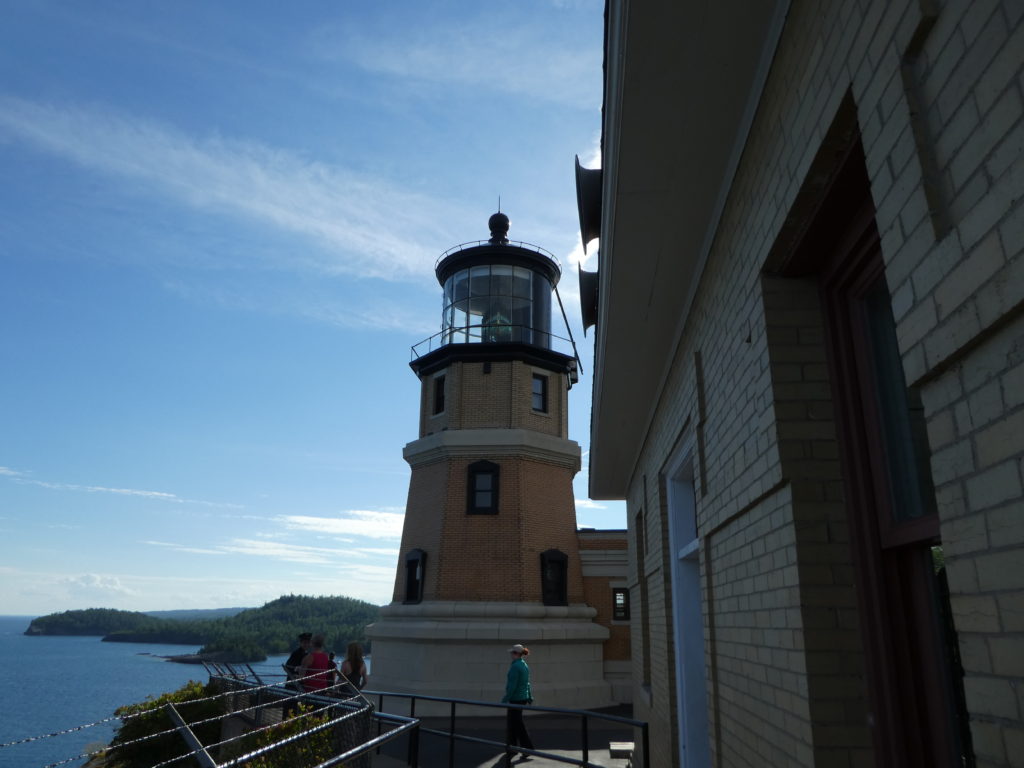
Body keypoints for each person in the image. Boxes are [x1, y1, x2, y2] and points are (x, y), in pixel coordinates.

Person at [502, 644, 535, 759]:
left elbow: (512, 685)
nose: (510, 654)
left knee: (516, 724)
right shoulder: (524, 665)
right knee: (514, 723)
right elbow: (527, 683)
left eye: (512, 652)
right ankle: (513, 747)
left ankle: (526, 748)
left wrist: (505, 698)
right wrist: (529, 696)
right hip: (522, 698)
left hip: (515, 698)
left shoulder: (515, 667)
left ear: (516, 654)